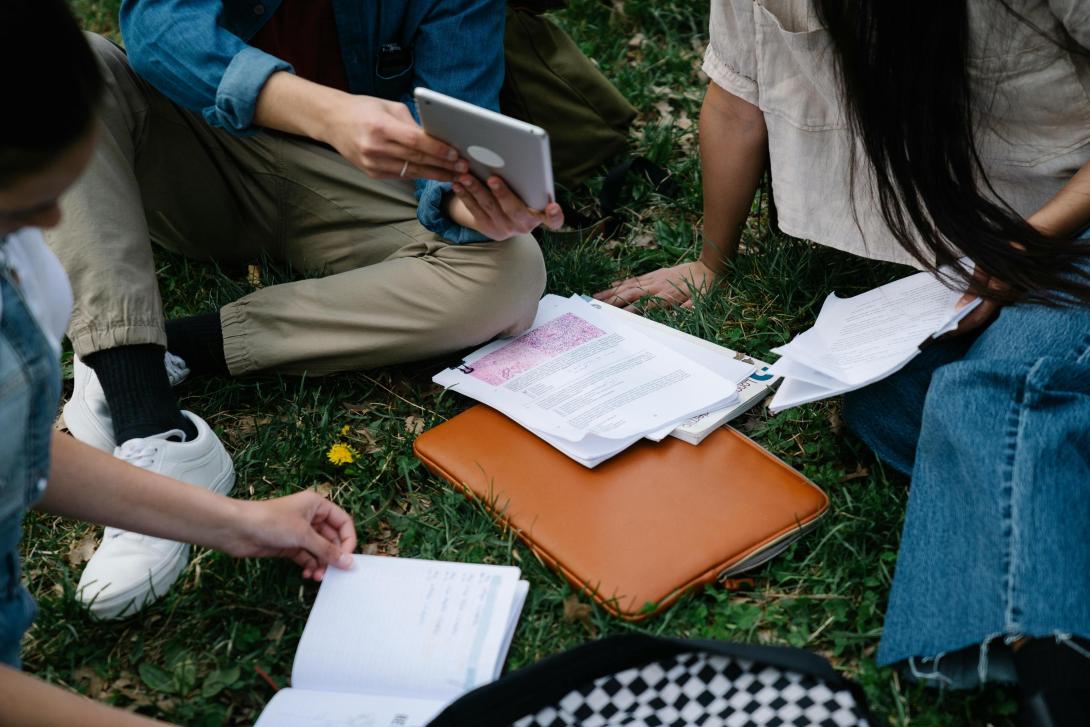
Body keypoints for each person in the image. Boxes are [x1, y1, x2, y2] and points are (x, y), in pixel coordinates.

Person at [597, 0, 1090, 722]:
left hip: (1066, 223)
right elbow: (736, 98)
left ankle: (1060, 671)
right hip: (965, 262)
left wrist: (1027, 246)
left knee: (991, 393)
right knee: (884, 408)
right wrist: (711, 261)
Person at [49, 0, 562, 620]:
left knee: (512, 270)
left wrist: (472, 207)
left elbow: (458, 132)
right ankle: (150, 426)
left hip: (354, 190)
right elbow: (157, 32)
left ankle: (164, 351)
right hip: (194, 151)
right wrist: (327, 113)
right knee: (62, 65)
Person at [0, 2, 358, 721]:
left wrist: (240, 523)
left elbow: (19, 451)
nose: (48, 232)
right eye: (27, 207)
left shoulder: (23, 268)